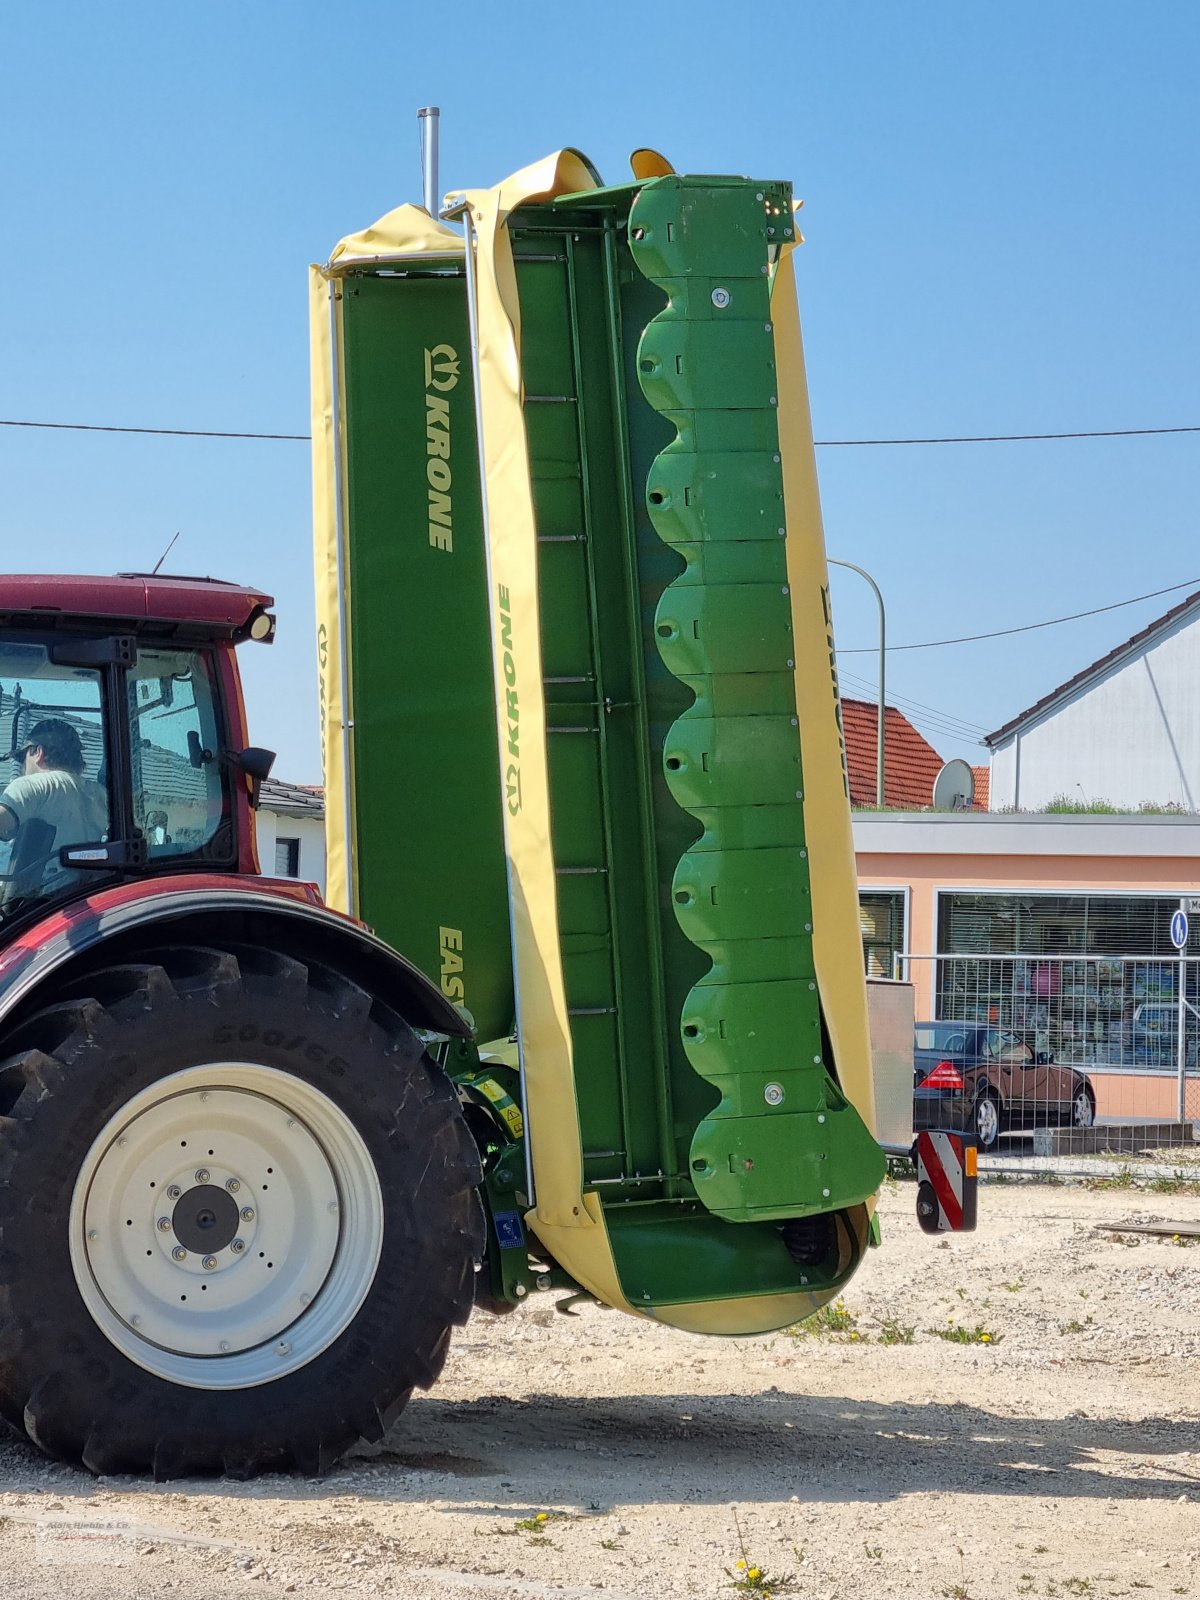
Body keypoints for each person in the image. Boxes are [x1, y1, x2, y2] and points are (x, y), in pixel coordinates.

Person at [0, 718, 108, 900]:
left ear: (38, 752)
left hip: (38, 902)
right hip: (87, 895)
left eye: (23, 758)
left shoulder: (33, 785)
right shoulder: (101, 794)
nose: (22, 767)